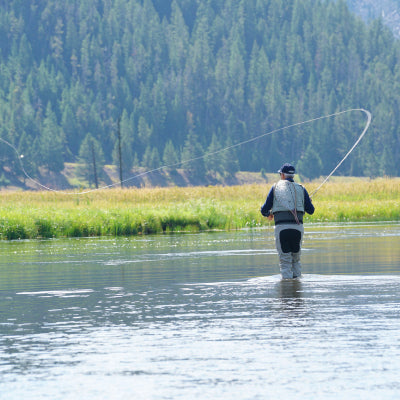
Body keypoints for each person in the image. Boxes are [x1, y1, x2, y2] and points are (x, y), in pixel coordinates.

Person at [261, 163, 315, 279]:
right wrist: (307, 202)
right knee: (296, 260)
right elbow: (311, 210)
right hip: (297, 229)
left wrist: (269, 214)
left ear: (282, 175)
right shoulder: (301, 188)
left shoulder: (275, 187)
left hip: (282, 229)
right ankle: (297, 291)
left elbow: (264, 209)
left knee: (285, 262)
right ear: (292, 176)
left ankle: (286, 292)